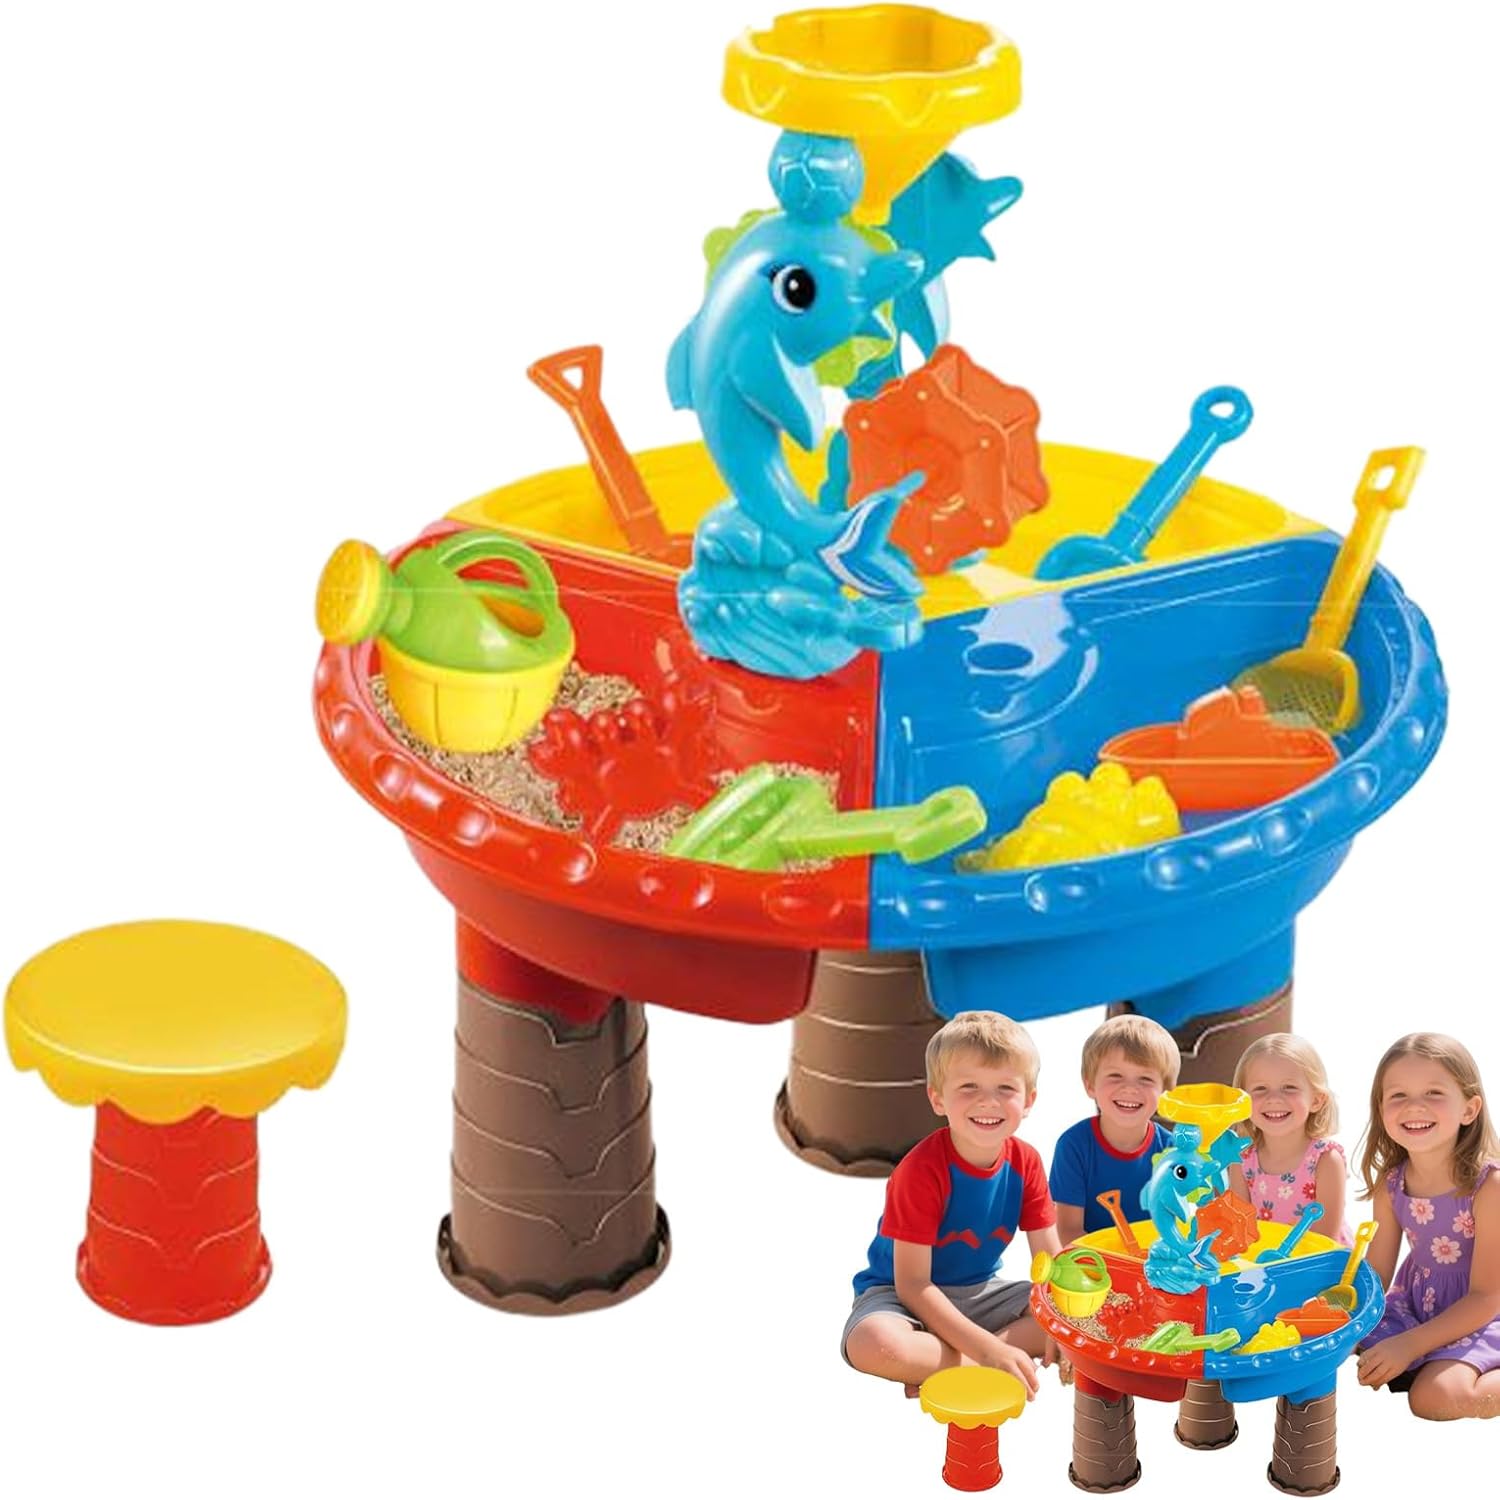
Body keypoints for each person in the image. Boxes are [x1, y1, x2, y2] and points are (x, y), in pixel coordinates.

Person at [842, 1010, 1060, 1397]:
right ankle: (987, 1362)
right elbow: (913, 1285)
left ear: (1029, 1101)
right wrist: (989, 1350)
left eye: (1005, 1088)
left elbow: (1050, 1262)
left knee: (1067, 1317)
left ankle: (951, 1364)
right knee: (873, 1343)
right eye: (969, 1087)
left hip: (981, 1292)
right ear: (938, 1098)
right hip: (901, 1295)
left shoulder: (1026, 1161)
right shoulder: (920, 1171)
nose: (988, 1101)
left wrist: (1066, 1319)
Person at [1355, 1033, 1500, 1419]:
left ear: (1469, 1109)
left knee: (1433, 1398)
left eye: (1434, 1093)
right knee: (1343, 1338)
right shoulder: (1391, 1184)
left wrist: (1409, 1345)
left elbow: (1486, 1297)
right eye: (1398, 1095)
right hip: (1420, 1304)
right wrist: (1338, 1315)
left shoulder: (1489, 1187)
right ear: (1381, 1109)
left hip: (1484, 1311)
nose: (1414, 1106)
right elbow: (1376, 1274)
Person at [1049, 1014, 1179, 1243]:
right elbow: (1068, 1231)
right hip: (1090, 1259)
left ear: (1165, 1092)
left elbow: (1176, 1225)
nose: (1129, 1088)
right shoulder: (1073, 1146)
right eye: (1115, 1076)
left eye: (1145, 1079)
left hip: (1154, 1258)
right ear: (1090, 1085)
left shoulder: (1172, 1150)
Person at [1227, 1033, 1352, 1245]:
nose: (1274, 1099)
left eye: (1289, 1088)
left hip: (1324, 1260)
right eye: (1260, 1089)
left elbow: (1324, 1243)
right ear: (1242, 1101)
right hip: (1264, 1259)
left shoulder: (1326, 1160)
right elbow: (1240, 1231)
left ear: (1316, 1100)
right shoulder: (1242, 1160)